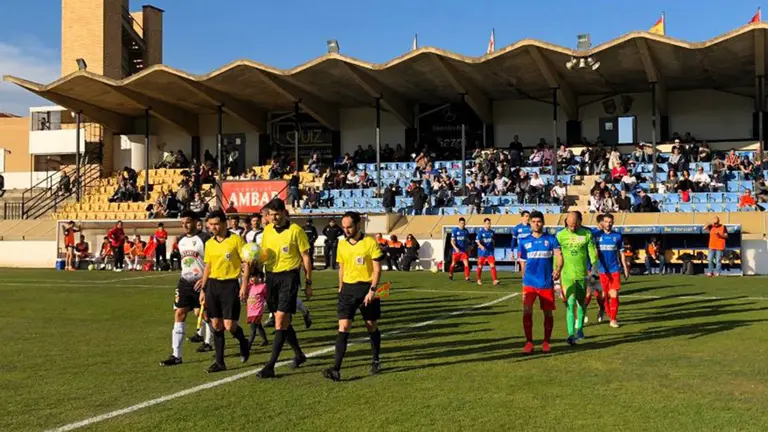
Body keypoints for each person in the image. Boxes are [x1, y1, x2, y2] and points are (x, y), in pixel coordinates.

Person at [323, 211, 384, 381]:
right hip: (347, 290)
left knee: (371, 325)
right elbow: (342, 266)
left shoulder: (370, 243)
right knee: (343, 327)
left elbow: (377, 269)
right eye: (344, 227)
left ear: (358, 224)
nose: (346, 230)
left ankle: (375, 359)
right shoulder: (341, 244)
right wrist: (341, 286)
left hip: (367, 288)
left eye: (349, 226)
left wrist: (372, 290)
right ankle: (336, 369)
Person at [256, 199, 313, 379]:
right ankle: (299, 354)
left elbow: (305, 256)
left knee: (280, 319)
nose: (273, 218)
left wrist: (308, 282)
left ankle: (270, 365)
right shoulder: (267, 231)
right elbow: (264, 254)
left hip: (289, 277)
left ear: (284, 212)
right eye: (270, 214)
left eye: (276, 214)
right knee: (284, 321)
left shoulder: (296, 231)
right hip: (271, 277)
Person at [196, 209, 251, 373]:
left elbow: (245, 262)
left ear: (224, 223)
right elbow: (208, 266)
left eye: (216, 224)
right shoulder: (209, 243)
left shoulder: (236, 240)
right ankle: (220, 362)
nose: (213, 227)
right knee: (216, 324)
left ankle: (243, 341)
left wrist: (244, 285)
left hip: (230, 285)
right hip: (213, 285)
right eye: (210, 224)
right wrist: (203, 289)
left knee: (229, 325)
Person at [160, 211, 214, 367]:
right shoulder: (182, 240)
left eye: (188, 222)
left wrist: (205, 279)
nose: (184, 225)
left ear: (196, 222)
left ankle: (209, 342)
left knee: (203, 314)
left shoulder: (205, 239)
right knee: (179, 313)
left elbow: (212, 262)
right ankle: (176, 355)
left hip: (201, 283)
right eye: (182, 222)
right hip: (185, 282)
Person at [518, 211, 563, 354]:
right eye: (533, 221)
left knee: (548, 313)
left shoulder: (551, 239)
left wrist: (558, 269)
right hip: (529, 283)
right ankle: (529, 342)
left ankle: (546, 342)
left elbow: (559, 256)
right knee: (527, 311)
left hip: (546, 282)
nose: (536, 224)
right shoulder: (524, 241)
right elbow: (523, 263)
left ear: (543, 222)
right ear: (529, 223)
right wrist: (523, 278)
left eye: (539, 221)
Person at [555, 211, 598, 345]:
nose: (572, 228)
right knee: (570, 302)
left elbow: (592, 251)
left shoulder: (587, 234)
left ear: (580, 221)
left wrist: (594, 267)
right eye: (570, 225)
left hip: (582, 275)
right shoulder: (560, 235)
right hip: (566, 275)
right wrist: (555, 272)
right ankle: (571, 334)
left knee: (581, 303)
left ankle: (580, 329)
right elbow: (557, 255)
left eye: (575, 225)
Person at [593, 213, 630, 328]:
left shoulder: (617, 236)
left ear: (613, 222)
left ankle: (613, 319)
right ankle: (604, 310)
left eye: (610, 222)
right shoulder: (596, 235)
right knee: (602, 296)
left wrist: (625, 268)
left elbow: (621, 253)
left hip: (614, 269)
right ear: (602, 223)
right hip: (601, 270)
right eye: (606, 221)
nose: (608, 224)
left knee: (614, 294)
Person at [246, 270, 269, 350]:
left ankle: (248, 346)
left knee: (253, 328)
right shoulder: (249, 286)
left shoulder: (263, 286)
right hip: (250, 311)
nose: (252, 279)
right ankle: (265, 340)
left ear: (258, 277)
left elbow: (267, 297)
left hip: (257, 311)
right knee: (259, 326)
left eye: (253, 277)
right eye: (251, 277)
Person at [475, 218, 499, 286]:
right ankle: (478, 279)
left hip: (490, 252)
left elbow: (493, 241)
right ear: (484, 224)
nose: (489, 225)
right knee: (480, 266)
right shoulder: (480, 232)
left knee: (492, 265)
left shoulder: (492, 232)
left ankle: (494, 280)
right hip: (482, 252)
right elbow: (477, 241)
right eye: (488, 223)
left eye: (490, 223)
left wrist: (493, 246)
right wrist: (481, 246)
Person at [449, 217, 471, 282]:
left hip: (464, 251)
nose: (463, 224)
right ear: (459, 223)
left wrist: (468, 248)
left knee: (466, 264)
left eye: (464, 223)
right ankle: (450, 275)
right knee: (453, 263)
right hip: (456, 251)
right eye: (461, 223)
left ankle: (467, 277)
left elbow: (467, 240)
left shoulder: (466, 231)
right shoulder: (455, 230)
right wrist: (455, 248)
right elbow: (452, 241)